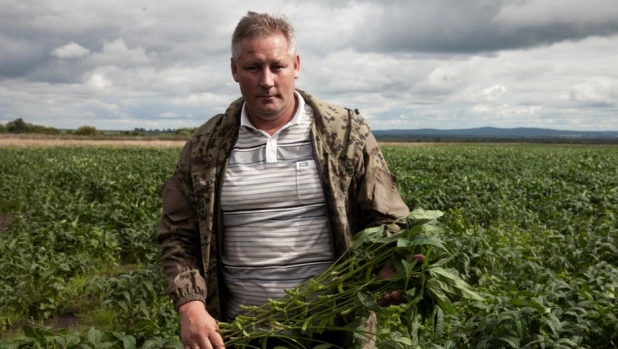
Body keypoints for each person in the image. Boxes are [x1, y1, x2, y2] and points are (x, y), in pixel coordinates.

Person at [157, 11, 410, 349]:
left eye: (277, 66)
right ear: (234, 70)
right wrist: (190, 305)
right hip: (239, 335)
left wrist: (389, 264)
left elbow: (388, 219)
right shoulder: (205, 147)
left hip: (336, 332)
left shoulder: (345, 133)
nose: (266, 80)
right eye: (252, 67)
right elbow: (178, 236)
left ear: (296, 65)